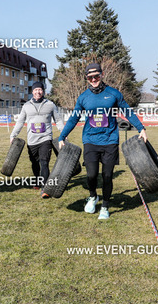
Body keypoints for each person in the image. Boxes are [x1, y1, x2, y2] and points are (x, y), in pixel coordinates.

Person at [58, 62, 147, 220]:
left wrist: (141, 128)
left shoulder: (113, 94)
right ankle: (93, 196)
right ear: (87, 78)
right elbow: (73, 118)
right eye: (90, 78)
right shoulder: (83, 97)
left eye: (96, 76)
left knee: (107, 176)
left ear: (102, 75)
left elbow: (127, 111)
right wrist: (62, 136)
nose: (94, 80)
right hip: (90, 140)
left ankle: (105, 206)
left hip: (110, 140)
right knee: (91, 175)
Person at [10, 81, 65, 197]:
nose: (38, 92)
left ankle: (45, 188)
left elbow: (58, 120)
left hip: (46, 138)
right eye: (36, 90)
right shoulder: (26, 106)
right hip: (32, 140)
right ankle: (37, 181)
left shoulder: (50, 104)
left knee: (44, 162)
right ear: (32, 91)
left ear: (43, 91)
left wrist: (63, 133)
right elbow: (20, 122)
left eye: (40, 89)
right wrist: (13, 135)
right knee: (34, 162)